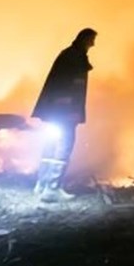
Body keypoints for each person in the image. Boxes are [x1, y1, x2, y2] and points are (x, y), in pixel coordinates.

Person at [32, 28, 96, 201]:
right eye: (91, 40)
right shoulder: (75, 57)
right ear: (84, 39)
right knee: (64, 146)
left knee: (50, 145)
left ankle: (42, 184)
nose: (93, 44)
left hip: (55, 110)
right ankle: (52, 189)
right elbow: (72, 87)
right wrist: (72, 111)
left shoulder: (69, 55)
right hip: (65, 112)